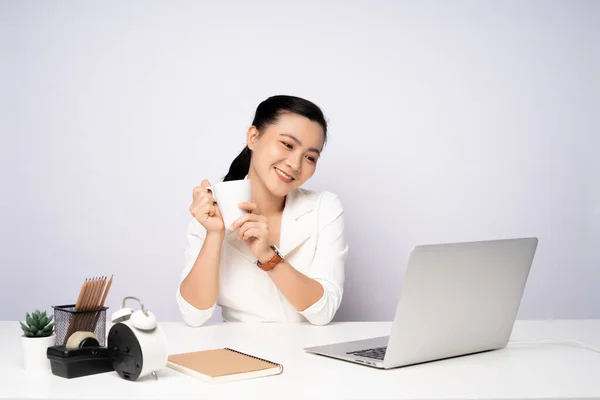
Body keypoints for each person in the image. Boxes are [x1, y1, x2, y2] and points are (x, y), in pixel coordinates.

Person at [176, 95, 348, 327]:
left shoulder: (324, 207)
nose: (295, 164)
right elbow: (194, 316)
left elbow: (323, 311)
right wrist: (214, 235)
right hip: (236, 354)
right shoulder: (211, 208)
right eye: (287, 144)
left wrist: (268, 255)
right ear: (254, 137)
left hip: (307, 353)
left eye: (310, 157)